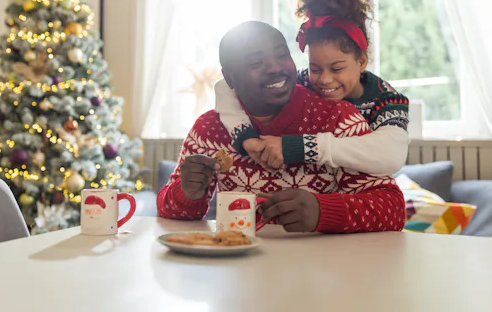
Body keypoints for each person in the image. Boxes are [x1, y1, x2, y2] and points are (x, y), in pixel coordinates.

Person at [156, 21, 405, 233]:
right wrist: (186, 192)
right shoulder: (209, 129)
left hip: (322, 275)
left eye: (282, 55)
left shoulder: (336, 118)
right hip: (237, 274)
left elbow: (392, 209)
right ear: (230, 77)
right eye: (256, 63)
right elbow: (169, 210)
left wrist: (323, 211)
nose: (275, 67)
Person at [216, 0, 409, 175]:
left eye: (337, 68)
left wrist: (300, 147)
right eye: (315, 68)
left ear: (362, 61)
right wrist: (244, 135)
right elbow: (224, 86)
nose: (325, 79)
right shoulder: (301, 82)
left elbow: (391, 156)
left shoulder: (386, 100)